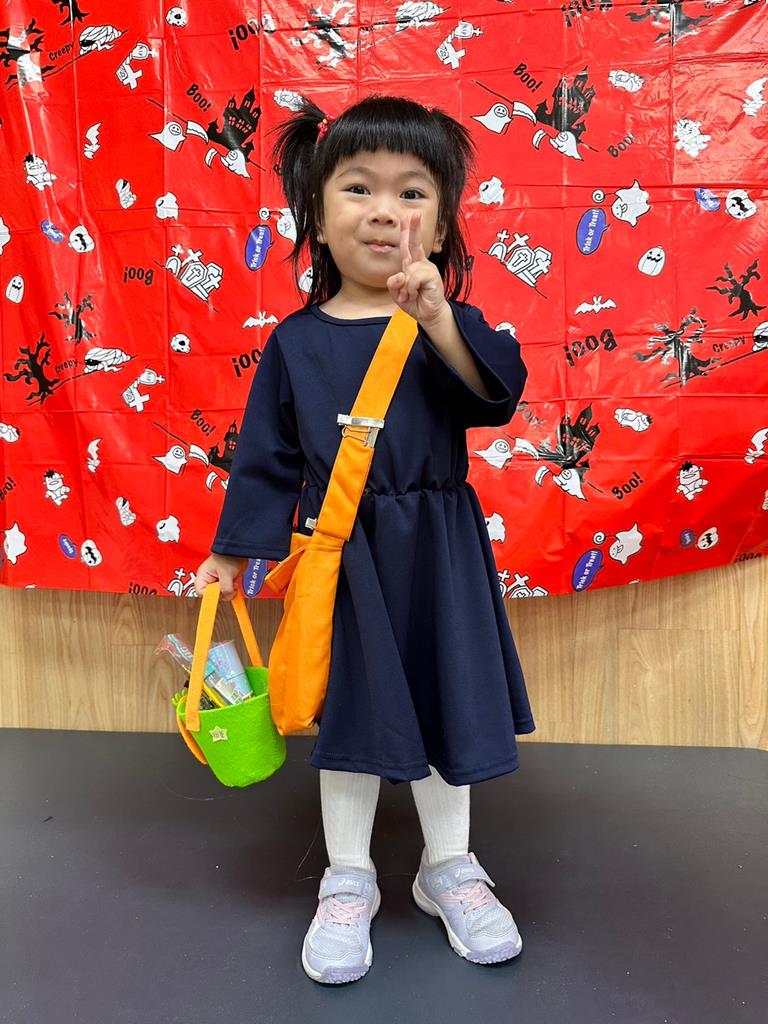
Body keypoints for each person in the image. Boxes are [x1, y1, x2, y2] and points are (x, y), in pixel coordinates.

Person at [194, 95, 536, 984]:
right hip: (343, 558)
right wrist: (234, 549)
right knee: (351, 714)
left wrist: (439, 319)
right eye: (359, 188)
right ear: (315, 213)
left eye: (412, 193)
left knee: (443, 701)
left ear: (442, 224)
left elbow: (496, 396)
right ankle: (348, 878)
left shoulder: (448, 324)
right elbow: (266, 457)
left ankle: (446, 867)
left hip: (439, 553)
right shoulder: (295, 342)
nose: (385, 211)